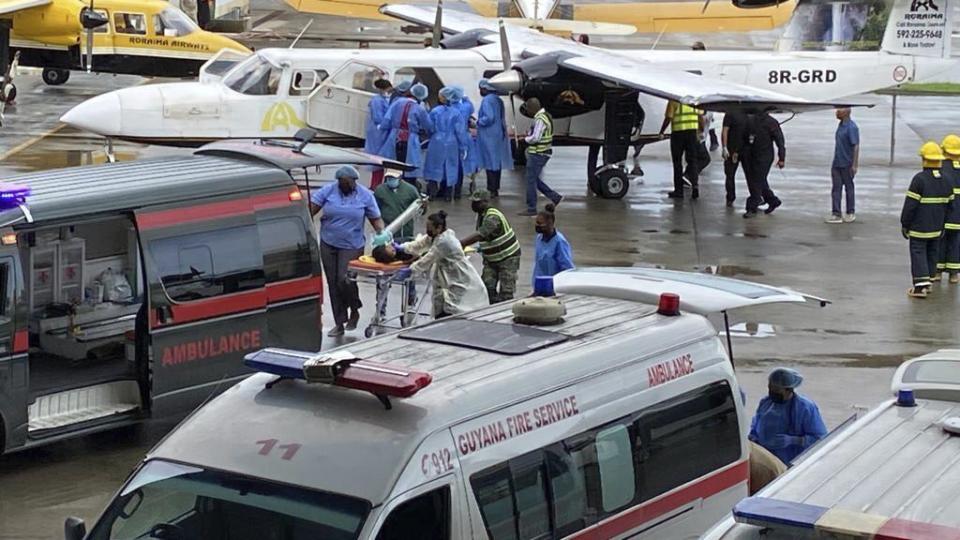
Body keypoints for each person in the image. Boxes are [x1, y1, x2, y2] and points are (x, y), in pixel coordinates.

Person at [310, 166, 387, 337]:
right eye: (343, 182)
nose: (346, 185)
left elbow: (376, 219)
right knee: (332, 282)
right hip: (329, 243)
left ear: (354, 180)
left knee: (344, 280)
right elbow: (311, 209)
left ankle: (355, 308)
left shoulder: (365, 195)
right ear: (338, 181)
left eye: (349, 182)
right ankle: (339, 322)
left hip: (352, 244)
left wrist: (382, 234)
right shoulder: (328, 191)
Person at [394, 211, 488, 318]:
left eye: (429, 228)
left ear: (439, 227)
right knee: (441, 300)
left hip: (457, 275)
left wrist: (411, 270)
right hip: (445, 274)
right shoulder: (436, 235)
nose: (427, 231)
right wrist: (403, 247)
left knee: (456, 306)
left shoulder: (445, 241)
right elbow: (420, 244)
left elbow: (428, 259)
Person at [901, 142, 953, 298]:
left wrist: (905, 223)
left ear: (924, 159)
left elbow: (910, 205)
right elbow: (950, 206)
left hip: (919, 227)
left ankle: (920, 286)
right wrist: (944, 224)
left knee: (918, 251)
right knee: (932, 252)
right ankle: (929, 280)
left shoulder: (919, 179)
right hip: (937, 227)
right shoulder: (947, 179)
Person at [749, 367, 827, 465]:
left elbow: (821, 439)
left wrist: (795, 440)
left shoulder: (805, 408)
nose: (772, 393)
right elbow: (755, 426)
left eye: (776, 390)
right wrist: (754, 439)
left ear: (788, 390)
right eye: (770, 388)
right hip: (765, 460)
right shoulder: (765, 403)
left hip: (791, 463)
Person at [459, 190, 521, 303]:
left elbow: (480, 235)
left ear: (486, 202)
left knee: (506, 293)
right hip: (492, 259)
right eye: (473, 202)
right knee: (487, 288)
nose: (473, 205)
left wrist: (461, 243)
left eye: (477, 202)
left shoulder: (493, 216)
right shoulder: (481, 216)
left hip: (508, 258)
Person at [379, 83, 433, 186]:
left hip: (394, 137)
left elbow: (386, 122)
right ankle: (407, 190)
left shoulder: (397, 103)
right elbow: (428, 127)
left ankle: (389, 190)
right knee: (409, 169)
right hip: (410, 140)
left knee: (392, 167)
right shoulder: (420, 109)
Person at [424, 87, 470, 200]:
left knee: (433, 166)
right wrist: (463, 147)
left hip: (436, 141)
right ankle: (448, 194)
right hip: (452, 142)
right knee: (450, 166)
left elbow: (429, 127)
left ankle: (432, 193)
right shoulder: (456, 113)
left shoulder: (435, 111)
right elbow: (460, 132)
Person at [522, 97, 562, 216]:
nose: (527, 112)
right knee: (533, 179)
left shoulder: (540, 119)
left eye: (528, 109)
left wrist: (525, 139)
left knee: (530, 180)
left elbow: (536, 138)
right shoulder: (545, 116)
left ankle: (531, 208)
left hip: (538, 153)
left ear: (532, 109)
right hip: (542, 152)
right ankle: (555, 197)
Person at [741, 111, 785, 219]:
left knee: (756, 181)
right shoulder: (752, 121)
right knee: (759, 180)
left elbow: (780, 141)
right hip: (753, 155)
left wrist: (781, 158)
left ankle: (752, 207)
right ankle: (773, 200)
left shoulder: (770, 122)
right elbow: (745, 137)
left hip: (764, 157)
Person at [660, 100, 704, 200]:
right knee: (693, 161)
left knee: (677, 163)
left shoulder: (673, 100)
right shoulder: (694, 101)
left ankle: (679, 191)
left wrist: (662, 131)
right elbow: (700, 117)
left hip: (677, 135)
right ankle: (695, 187)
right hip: (692, 134)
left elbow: (668, 117)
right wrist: (701, 130)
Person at [476, 79, 513, 198]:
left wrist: (478, 122)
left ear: (485, 89)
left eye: (480, 88)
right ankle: (495, 188)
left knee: (489, 163)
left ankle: (491, 189)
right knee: (496, 163)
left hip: (488, 135)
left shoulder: (487, 101)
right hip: (498, 134)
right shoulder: (498, 100)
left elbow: (489, 117)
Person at [826, 107, 860, 224]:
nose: (836, 111)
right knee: (836, 189)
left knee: (849, 188)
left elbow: (855, 146)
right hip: (837, 163)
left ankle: (850, 212)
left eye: (840, 109)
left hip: (847, 163)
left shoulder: (852, 127)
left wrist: (854, 164)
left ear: (846, 112)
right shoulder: (841, 125)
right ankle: (836, 214)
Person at [532, 203, 574, 285]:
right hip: (540, 283)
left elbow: (567, 267)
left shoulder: (560, 242)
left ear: (550, 224)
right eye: (536, 222)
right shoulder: (539, 238)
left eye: (540, 223)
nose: (537, 225)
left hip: (555, 285)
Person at [938, 134, 960, 284]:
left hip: (943, 215)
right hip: (958, 216)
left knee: (940, 242)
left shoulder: (941, 168)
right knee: (955, 244)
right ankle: (953, 274)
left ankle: (938, 271)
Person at [365, 79, 393, 189]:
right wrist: (387, 123)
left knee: (380, 162)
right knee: (377, 161)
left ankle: (377, 184)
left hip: (380, 132)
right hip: (378, 134)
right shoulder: (377, 101)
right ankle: (375, 185)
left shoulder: (381, 99)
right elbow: (378, 118)